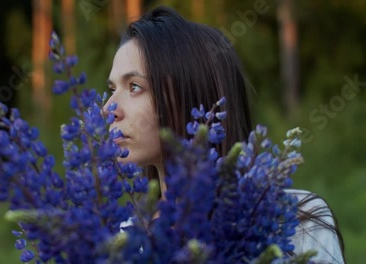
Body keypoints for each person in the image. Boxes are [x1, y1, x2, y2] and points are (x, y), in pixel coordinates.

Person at [104, 6, 345, 263]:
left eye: (135, 87)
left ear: (195, 93)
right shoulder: (124, 239)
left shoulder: (298, 218)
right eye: (111, 89)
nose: (108, 109)